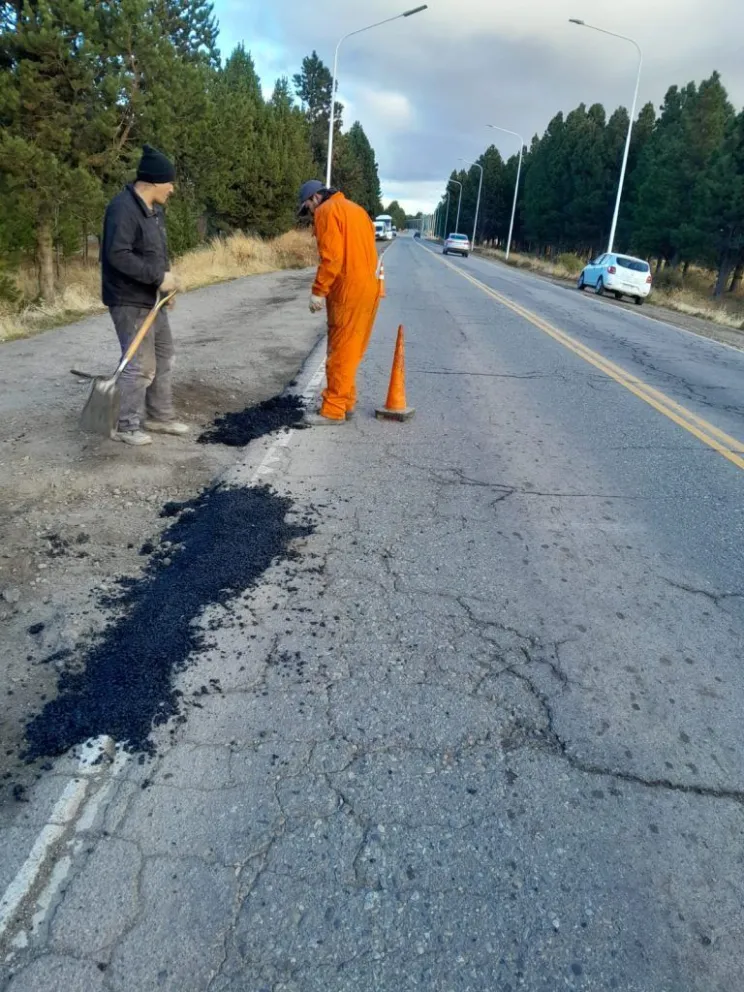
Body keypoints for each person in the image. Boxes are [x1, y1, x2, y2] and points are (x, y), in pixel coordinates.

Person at [101, 144, 189, 446]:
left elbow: (157, 253)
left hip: (153, 298)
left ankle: (159, 416)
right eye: (169, 182)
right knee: (139, 364)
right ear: (151, 182)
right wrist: (157, 278)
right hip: (128, 299)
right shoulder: (122, 209)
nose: (173, 189)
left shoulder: (154, 212)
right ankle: (127, 426)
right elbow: (117, 254)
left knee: (165, 357)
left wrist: (168, 287)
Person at [298, 179, 381, 425]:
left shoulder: (326, 211)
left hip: (348, 291)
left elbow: (332, 258)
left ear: (315, 198)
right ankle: (346, 402)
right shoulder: (357, 210)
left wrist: (318, 291)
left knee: (339, 351)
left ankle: (333, 410)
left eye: (307, 209)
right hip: (372, 288)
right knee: (351, 350)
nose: (310, 214)